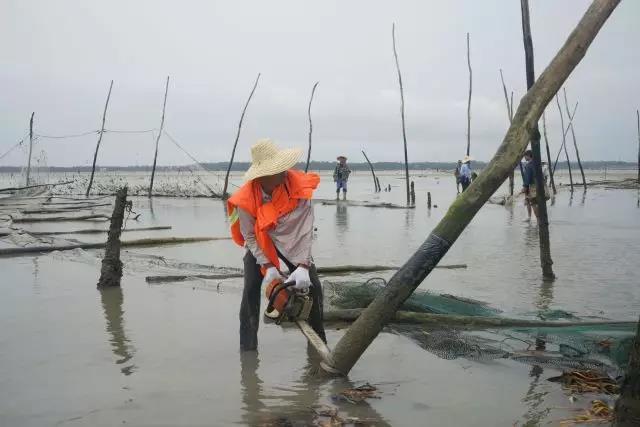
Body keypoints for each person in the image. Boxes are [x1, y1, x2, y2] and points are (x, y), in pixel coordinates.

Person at [227, 139, 326, 351]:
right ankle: (248, 350)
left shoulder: (299, 187)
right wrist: (268, 267)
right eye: (278, 170)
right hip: (261, 242)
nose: (284, 172)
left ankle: (318, 348)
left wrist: (303, 266)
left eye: (283, 167)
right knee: (251, 289)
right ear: (262, 176)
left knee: (314, 288)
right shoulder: (245, 199)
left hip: (292, 241)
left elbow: (306, 229)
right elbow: (249, 236)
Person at [520, 149, 549, 220]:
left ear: (528, 156)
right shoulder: (538, 164)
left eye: (525, 156)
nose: (524, 158)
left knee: (533, 203)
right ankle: (543, 220)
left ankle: (539, 220)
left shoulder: (528, 165)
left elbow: (527, 178)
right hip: (542, 186)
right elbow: (544, 176)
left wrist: (525, 187)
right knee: (541, 203)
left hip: (533, 187)